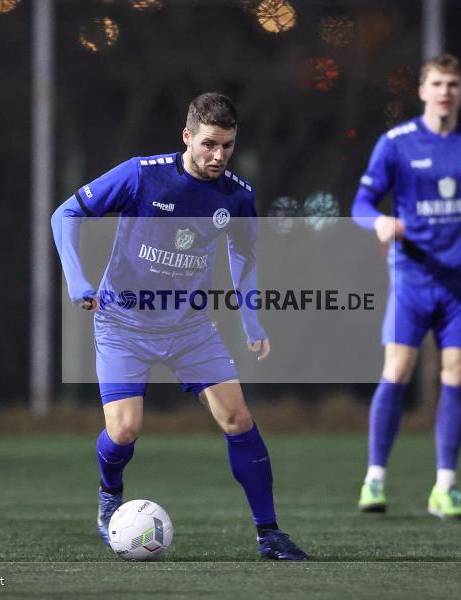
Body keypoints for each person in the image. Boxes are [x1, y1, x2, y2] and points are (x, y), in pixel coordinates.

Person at [51, 92, 307, 560]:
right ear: (187, 136)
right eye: (210, 144)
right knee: (125, 431)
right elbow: (64, 213)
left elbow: (244, 254)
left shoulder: (237, 194)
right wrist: (77, 280)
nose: (218, 156)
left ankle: (269, 535)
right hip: (123, 323)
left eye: (228, 145)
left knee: (238, 418)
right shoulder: (141, 175)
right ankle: (110, 494)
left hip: (189, 327)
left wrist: (251, 320)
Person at [351, 54, 461, 519]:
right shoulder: (396, 143)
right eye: (437, 83)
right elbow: (362, 202)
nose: (445, 91)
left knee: (456, 377)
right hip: (412, 276)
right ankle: (374, 479)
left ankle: (445, 487)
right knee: (397, 371)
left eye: (453, 83)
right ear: (422, 90)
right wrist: (379, 222)